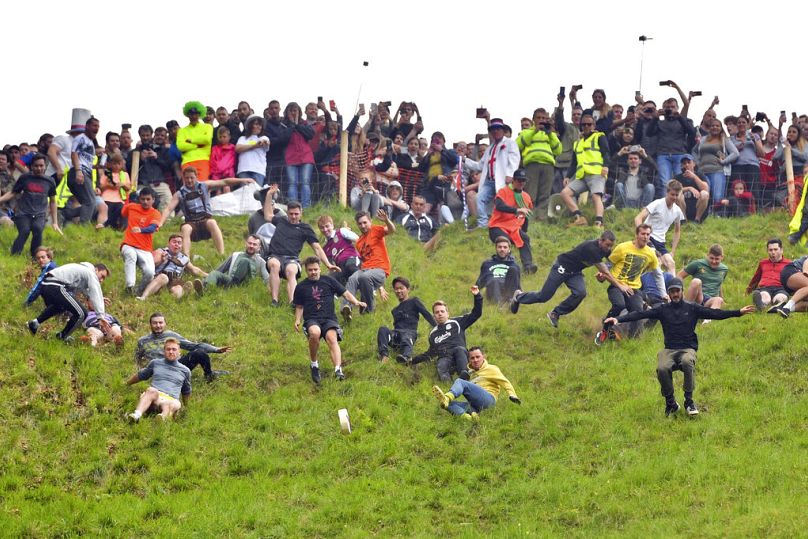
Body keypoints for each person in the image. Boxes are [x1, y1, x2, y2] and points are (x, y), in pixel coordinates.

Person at [604, 278, 755, 416]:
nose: (675, 294)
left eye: (678, 291)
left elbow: (715, 313)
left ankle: (689, 401)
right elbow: (639, 314)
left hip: (687, 349)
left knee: (687, 362)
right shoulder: (663, 309)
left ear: (682, 291)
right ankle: (671, 403)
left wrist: (738, 313)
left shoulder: (693, 308)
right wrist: (617, 319)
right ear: (668, 294)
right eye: (672, 292)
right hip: (669, 350)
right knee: (662, 368)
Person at [511, 230, 619, 328]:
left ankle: (555, 313)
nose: (609, 248)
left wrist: (607, 268)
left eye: (611, 246)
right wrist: (620, 286)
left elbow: (610, 262)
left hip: (575, 272)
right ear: (600, 240)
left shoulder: (605, 250)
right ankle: (518, 297)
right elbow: (604, 270)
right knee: (544, 296)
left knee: (580, 293)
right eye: (607, 245)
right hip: (561, 267)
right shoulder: (591, 248)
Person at [293, 257, 366, 383]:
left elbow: (345, 293)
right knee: (315, 333)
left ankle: (338, 369)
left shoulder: (328, 280)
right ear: (306, 270)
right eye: (310, 270)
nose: (313, 272)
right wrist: (297, 320)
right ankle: (314, 364)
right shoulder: (301, 287)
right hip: (312, 319)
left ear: (320, 268)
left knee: (332, 338)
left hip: (329, 318)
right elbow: (299, 306)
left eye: (315, 269)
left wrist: (356, 302)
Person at [261, 187, 336, 306]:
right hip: (275, 255)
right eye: (291, 214)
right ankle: (274, 300)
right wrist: (269, 195)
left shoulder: (305, 228)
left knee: (291, 270)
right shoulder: (281, 221)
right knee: (275, 265)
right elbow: (267, 215)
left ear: (301, 213)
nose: (294, 216)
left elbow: (316, 247)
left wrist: (328, 264)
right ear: (287, 213)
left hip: (292, 258)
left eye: (296, 214)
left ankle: (293, 302)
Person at [159, 166, 254, 256]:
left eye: (192, 178)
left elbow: (224, 182)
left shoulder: (205, 186)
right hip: (191, 224)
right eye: (187, 178)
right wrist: (160, 223)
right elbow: (168, 209)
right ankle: (186, 258)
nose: (189, 180)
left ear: (196, 177)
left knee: (212, 222)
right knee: (185, 228)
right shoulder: (179, 194)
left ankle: (221, 254)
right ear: (183, 178)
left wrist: (242, 180)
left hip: (205, 220)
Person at [596, 224, 666, 343]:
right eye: (643, 234)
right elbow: (609, 263)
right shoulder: (622, 247)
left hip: (634, 289)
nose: (645, 237)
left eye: (648, 234)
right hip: (617, 285)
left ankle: (631, 341)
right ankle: (604, 330)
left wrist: (663, 293)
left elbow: (658, 274)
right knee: (619, 305)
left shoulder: (650, 253)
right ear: (636, 235)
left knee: (638, 313)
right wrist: (602, 274)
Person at [411, 286, 483, 382]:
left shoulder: (457, 322)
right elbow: (430, 354)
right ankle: (448, 387)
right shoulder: (433, 334)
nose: (440, 314)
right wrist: (412, 361)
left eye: (442, 311)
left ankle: (464, 377)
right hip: (445, 358)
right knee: (441, 363)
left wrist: (477, 296)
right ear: (434, 316)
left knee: (459, 350)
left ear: (447, 313)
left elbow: (476, 313)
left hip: (460, 355)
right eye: (437, 312)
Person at [135, 312, 231, 383]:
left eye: (160, 322)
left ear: (165, 324)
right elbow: (137, 359)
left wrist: (216, 349)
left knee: (199, 352)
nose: (158, 325)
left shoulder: (172, 335)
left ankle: (209, 375)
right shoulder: (142, 341)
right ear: (150, 325)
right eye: (155, 323)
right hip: (159, 371)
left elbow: (193, 346)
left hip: (177, 365)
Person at [431, 346, 520, 420]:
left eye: (478, 357)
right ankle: (469, 418)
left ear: (483, 357)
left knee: (460, 382)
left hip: (488, 400)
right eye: (472, 358)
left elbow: (505, 382)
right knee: (445, 404)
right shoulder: (469, 373)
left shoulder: (491, 368)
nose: (475, 360)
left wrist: (512, 395)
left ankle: (447, 397)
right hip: (474, 405)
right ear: (469, 360)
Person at [27, 262, 110, 342]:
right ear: (96, 270)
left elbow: (88, 291)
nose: (102, 280)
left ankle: (34, 323)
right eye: (102, 276)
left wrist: (99, 298)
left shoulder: (83, 270)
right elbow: (95, 290)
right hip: (56, 286)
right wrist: (101, 316)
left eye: (104, 279)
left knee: (61, 306)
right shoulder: (90, 273)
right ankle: (62, 336)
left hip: (47, 285)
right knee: (82, 313)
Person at [0, 154, 62, 256]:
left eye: (41, 166)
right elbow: (13, 192)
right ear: (31, 166)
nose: (39, 168)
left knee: (37, 230)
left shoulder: (50, 181)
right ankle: (14, 255)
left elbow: (53, 201)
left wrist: (55, 222)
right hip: (23, 213)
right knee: (24, 231)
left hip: (40, 214)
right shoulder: (25, 178)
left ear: (45, 166)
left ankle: (35, 258)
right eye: (36, 166)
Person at [341, 209, 396, 320]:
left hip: (380, 269)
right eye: (360, 223)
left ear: (370, 221)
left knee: (364, 277)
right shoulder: (359, 242)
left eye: (365, 222)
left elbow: (391, 230)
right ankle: (347, 307)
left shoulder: (375, 230)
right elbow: (364, 260)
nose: (363, 225)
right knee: (352, 278)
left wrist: (386, 220)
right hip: (366, 269)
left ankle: (370, 309)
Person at [561, 113, 610, 227]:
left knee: (595, 196)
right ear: (581, 126)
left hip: (596, 173)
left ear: (594, 125)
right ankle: (579, 217)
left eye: (589, 124)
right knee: (564, 193)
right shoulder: (577, 143)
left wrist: (606, 166)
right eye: (584, 124)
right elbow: (574, 162)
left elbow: (606, 152)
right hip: (582, 175)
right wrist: (568, 176)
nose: (586, 126)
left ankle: (599, 223)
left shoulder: (599, 136)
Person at [126, 338, 191, 422]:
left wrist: (186, 407)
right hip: (155, 397)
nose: (171, 352)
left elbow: (186, 391)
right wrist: (127, 384)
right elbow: (141, 375)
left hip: (171, 399)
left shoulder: (185, 370)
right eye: (168, 349)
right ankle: (137, 415)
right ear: (164, 351)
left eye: (174, 349)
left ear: (179, 352)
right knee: (151, 390)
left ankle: (161, 418)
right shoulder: (155, 363)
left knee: (171, 404)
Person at [377, 276, 436, 363]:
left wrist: (437, 326)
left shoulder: (414, 301)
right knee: (383, 329)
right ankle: (384, 355)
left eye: (401, 288)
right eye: (396, 289)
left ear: (408, 289)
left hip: (410, 332)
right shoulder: (395, 310)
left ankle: (406, 357)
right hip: (396, 334)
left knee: (406, 337)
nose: (399, 291)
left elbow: (426, 313)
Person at [488, 168, 537, 273]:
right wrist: (517, 210)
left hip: (514, 228)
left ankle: (528, 267)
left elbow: (526, 216)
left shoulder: (526, 197)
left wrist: (524, 230)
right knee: (504, 240)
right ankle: (504, 267)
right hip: (497, 226)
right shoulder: (503, 191)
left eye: (523, 180)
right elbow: (499, 206)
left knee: (525, 238)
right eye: (519, 180)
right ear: (513, 180)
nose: (521, 183)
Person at [516, 107, 562, 219]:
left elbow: (558, 150)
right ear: (533, 120)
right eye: (539, 118)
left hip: (548, 166)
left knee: (544, 194)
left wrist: (550, 134)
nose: (541, 120)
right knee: (530, 193)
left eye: (544, 118)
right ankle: (529, 219)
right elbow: (518, 145)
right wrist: (535, 130)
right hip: (532, 165)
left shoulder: (550, 133)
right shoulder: (526, 132)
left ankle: (541, 219)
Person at [475, 118, 521, 228]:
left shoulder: (510, 142)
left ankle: (505, 224)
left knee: (503, 203)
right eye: (493, 129)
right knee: (479, 198)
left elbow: (515, 158)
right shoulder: (489, 148)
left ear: (503, 130)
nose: (496, 131)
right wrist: (463, 161)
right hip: (490, 181)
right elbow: (480, 165)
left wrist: (510, 174)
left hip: (503, 180)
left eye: (498, 129)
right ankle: (483, 225)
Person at [635, 180, 684, 274]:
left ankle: (672, 288)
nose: (674, 197)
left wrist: (673, 251)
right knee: (657, 263)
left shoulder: (677, 211)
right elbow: (638, 218)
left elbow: (677, 231)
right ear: (667, 192)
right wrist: (642, 236)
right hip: (649, 238)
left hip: (661, 242)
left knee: (671, 263)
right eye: (672, 194)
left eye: (677, 195)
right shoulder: (657, 203)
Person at [138, 234, 207, 300]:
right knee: (163, 277)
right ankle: (144, 297)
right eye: (174, 242)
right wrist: (162, 260)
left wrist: (207, 275)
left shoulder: (184, 258)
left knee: (178, 289)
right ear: (168, 244)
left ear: (181, 246)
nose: (176, 244)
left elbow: (194, 269)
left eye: (179, 243)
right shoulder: (161, 251)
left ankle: (183, 294)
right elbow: (150, 266)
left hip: (174, 281)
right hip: (160, 278)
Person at [120, 187, 161, 295]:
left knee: (150, 273)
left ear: (153, 200)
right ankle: (130, 286)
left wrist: (141, 230)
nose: (145, 202)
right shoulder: (131, 207)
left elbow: (152, 228)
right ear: (139, 199)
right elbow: (122, 212)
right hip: (128, 244)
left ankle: (138, 291)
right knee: (130, 255)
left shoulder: (155, 213)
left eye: (148, 199)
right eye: (143, 199)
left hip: (145, 249)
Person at [194, 234, 268, 293]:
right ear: (246, 244)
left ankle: (228, 289)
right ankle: (205, 290)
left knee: (245, 261)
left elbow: (267, 280)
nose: (251, 246)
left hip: (245, 286)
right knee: (214, 273)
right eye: (250, 243)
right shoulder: (235, 255)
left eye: (254, 244)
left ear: (259, 247)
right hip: (230, 281)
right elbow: (220, 270)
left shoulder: (261, 262)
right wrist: (209, 277)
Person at [677, 244, 728, 310]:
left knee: (718, 299)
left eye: (717, 259)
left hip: (710, 300)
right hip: (698, 297)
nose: (714, 261)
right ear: (708, 255)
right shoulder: (697, 264)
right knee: (696, 281)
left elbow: (719, 283)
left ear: (722, 257)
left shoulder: (724, 269)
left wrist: (722, 299)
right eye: (711, 258)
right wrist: (681, 293)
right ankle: (685, 310)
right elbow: (679, 275)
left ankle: (707, 319)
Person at [745, 238, 790, 311]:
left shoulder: (789, 264)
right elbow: (756, 278)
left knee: (780, 297)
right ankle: (761, 305)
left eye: (775, 249)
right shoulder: (763, 263)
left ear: (781, 250)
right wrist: (748, 291)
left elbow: (795, 280)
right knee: (764, 296)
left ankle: (777, 305)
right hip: (765, 288)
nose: (773, 252)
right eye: (770, 250)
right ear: (767, 251)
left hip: (781, 288)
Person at [476, 236, 521, 305]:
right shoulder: (487, 264)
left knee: (513, 269)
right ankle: (498, 305)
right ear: (496, 248)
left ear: (509, 249)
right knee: (494, 280)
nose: (502, 249)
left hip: (508, 289)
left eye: (505, 247)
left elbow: (517, 286)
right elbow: (480, 282)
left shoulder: (514, 265)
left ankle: (511, 302)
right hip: (493, 288)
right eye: (499, 247)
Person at [318, 214, 361, 285]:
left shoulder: (341, 232)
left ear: (332, 225)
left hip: (352, 259)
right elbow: (331, 265)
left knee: (350, 267)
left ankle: (367, 285)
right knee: (328, 280)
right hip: (341, 267)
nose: (325, 229)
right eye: (322, 227)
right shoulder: (325, 248)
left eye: (327, 226)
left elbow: (359, 240)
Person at [176, 101, 213, 180]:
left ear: (199, 115)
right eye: (191, 114)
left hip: (203, 160)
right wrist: (197, 145)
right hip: (187, 162)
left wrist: (191, 140)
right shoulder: (182, 130)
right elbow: (180, 146)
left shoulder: (207, 127)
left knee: (202, 187)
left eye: (196, 114)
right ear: (187, 115)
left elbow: (206, 140)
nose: (193, 116)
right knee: (189, 189)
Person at [673, 155, 710, 223]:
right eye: (684, 163)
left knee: (704, 194)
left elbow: (706, 189)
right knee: (677, 194)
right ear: (681, 166)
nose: (687, 165)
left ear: (694, 164)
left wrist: (694, 176)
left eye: (689, 162)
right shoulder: (678, 177)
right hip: (684, 207)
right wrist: (689, 188)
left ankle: (697, 220)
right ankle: (684, 220)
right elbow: (672, 190)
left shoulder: (700, 175)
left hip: (697, 207)